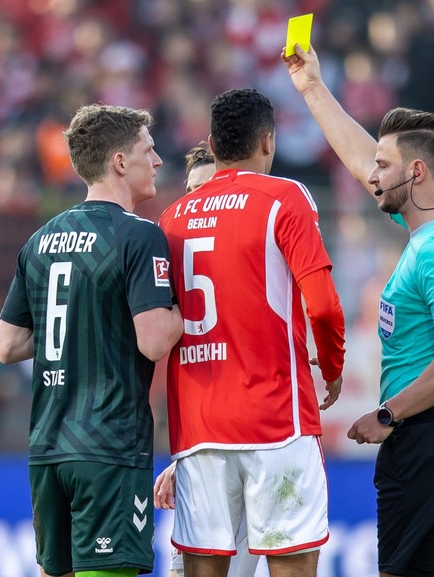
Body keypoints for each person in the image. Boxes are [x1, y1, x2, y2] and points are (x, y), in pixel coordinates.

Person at [283, 46, 434, 576]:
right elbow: (364, 165)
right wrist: (312, 86)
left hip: (428, 442)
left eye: (386, 166)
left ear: (417, 171)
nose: (373, 175)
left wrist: (388, 414)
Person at [158, 88, 346, 577]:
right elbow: (322, 305)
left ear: (213, 146)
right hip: (274, 420)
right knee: (291, 566)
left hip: (199, 428)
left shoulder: (172, 217)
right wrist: (333, 369)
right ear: (268, 141)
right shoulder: (284, 197)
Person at [0, 103, 184, 577]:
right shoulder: (138, 236)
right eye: (149, 149)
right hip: (108, 444)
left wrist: (84, 317)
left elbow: (8, 346)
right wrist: (186, 312)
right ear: (120, 162)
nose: (158, 160)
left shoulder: (40, 239)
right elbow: (155, 342)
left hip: (48, 447)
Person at [154, 143, 261, 577]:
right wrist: (183, 458)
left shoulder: (258, 265)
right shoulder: (172, 257)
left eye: (213, 188)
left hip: (259, 444)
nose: (203, 201)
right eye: (193, 190)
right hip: (201, 446)